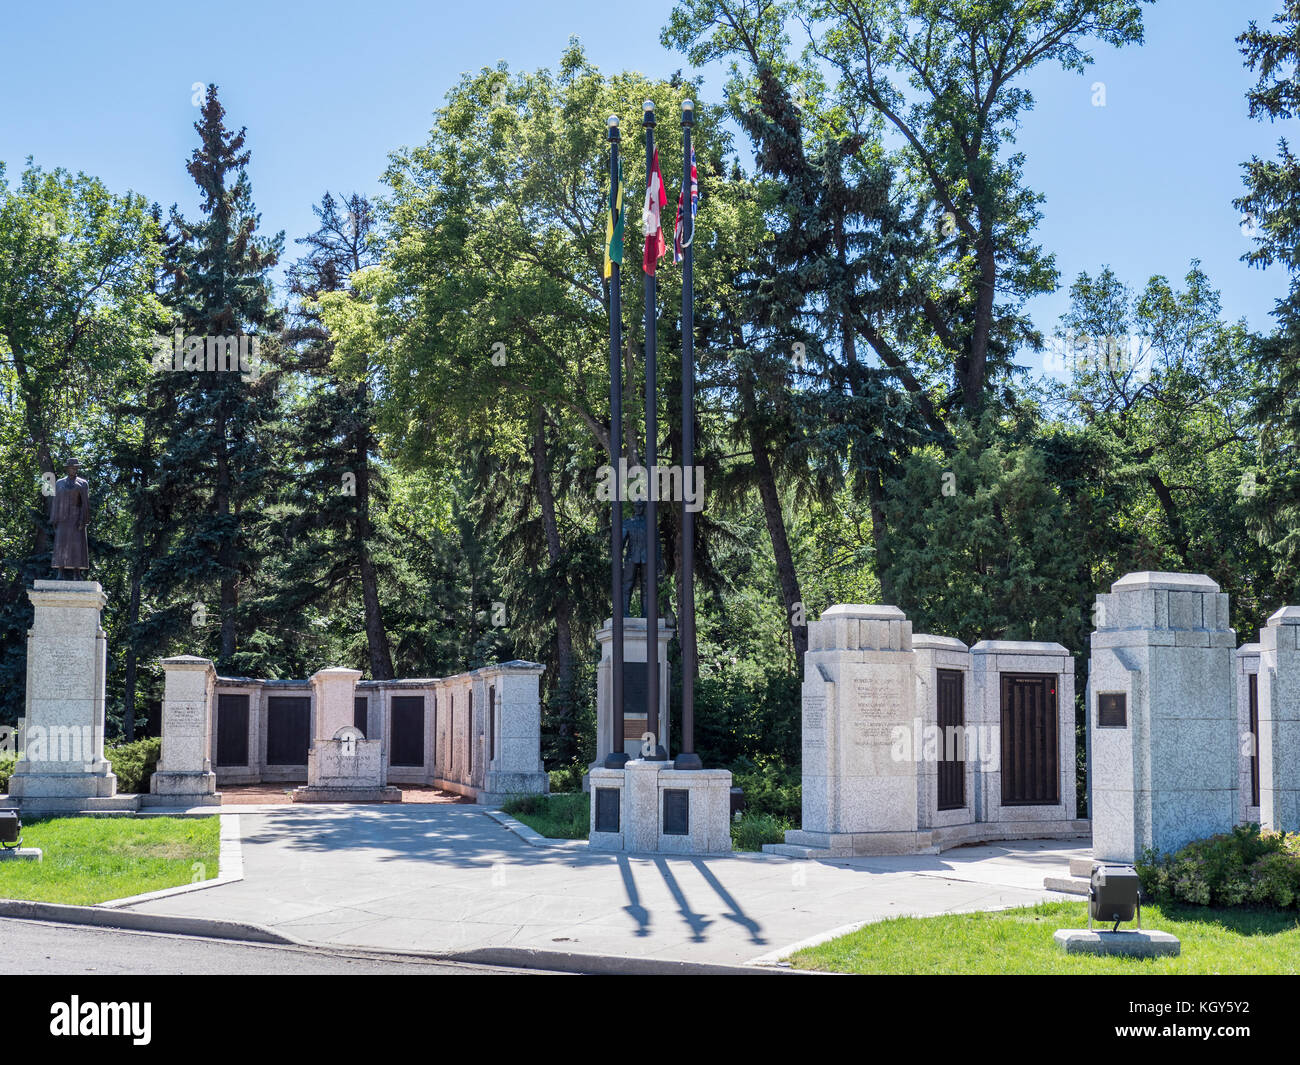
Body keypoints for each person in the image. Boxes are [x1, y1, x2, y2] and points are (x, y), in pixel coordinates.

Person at [50, 458, 90, 579]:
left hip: (76, 518)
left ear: (77, 468)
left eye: (75, 467)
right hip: (62, 518)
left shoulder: (82, 483)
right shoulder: (59, 483)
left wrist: (84, 520)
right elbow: (55, 502)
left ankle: (77, 573)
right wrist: (54, 519)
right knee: (61, 545)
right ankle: (60, 572)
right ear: (67, 468)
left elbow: (85, 503)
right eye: (71, 467)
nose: (73, 469)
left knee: (77, 545)